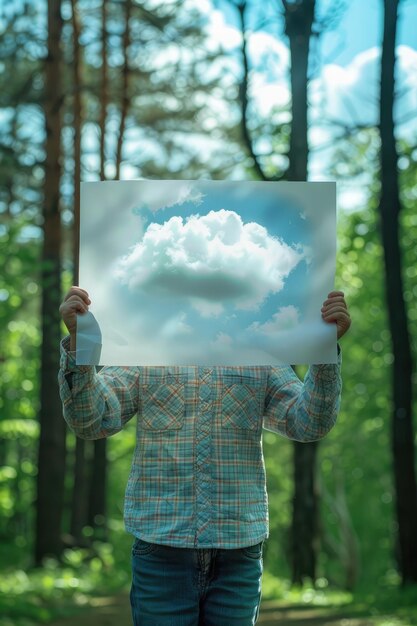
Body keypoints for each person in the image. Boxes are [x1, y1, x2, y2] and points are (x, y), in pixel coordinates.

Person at [58, 287, 351, 626]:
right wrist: (82, 345)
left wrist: (323, 351)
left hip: (238, 554)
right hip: (160, 550)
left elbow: (309, 423)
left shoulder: (261, 350)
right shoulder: (146, 347)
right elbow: (91, 420)